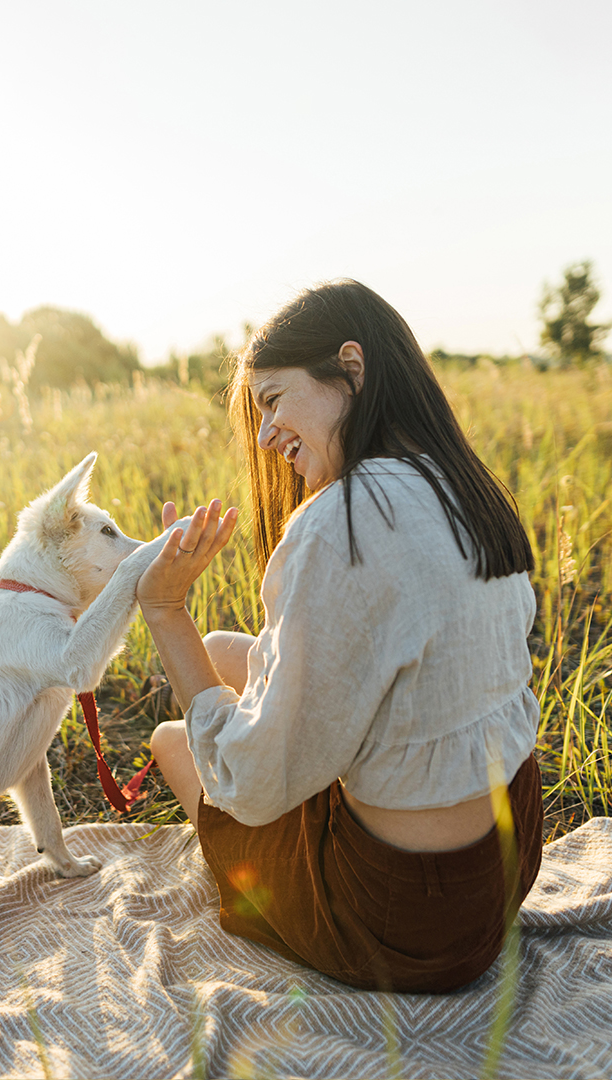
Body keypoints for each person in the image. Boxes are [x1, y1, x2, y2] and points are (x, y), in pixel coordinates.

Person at [135, 279, 543, 993]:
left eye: (272, 401)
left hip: (403, 922)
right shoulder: (462, 486)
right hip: (505, 863)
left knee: (176, 741)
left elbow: (253, 786)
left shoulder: (340, 521)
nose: (264, 436)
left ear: (350, 370)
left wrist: (166, 609)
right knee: (236, 649)